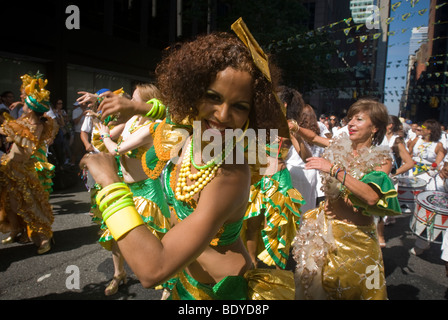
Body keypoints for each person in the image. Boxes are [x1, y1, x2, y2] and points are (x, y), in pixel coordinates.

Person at [80, 20, 296, 300]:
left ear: (252, 115)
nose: (221, 114)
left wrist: (110, 183)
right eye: (212, 97)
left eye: (239, 106)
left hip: (218, 292)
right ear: (192, 91)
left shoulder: (229, 172)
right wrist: (134, 105)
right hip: (186, 277)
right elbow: (171, 113)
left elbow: (152, 270)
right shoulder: (195, 131)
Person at [291, 98, 401, 300]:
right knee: (314, 289)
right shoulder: (339, 146)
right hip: (324, 232)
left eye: (359, 119)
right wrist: (295, 126)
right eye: (350, 118)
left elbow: (370, 196)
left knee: (352, 293)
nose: (350, 123)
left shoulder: (381, 159)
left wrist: (333, 169)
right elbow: (314, 137)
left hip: (356, 240)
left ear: (375, 127)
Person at [94, 84, 172, 296]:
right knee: (118, 232)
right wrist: (99, 112)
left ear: (146, 103)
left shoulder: (152, 127)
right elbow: (108, 134)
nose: (129, 103)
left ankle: (169, 283)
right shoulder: (132, 120)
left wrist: (104, 136)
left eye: (134, 100)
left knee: (157, 235)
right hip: (127, 186)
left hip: (148, 189)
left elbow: (116, 148)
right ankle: (119, 274)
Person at [242, 85, 307, 270]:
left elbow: (305, 156)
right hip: (257, 179)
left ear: (284, 105)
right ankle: (251, 267)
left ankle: (278, 274)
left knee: (278, 228)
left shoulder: (288, 127)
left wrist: (297, 135)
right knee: (252, 225)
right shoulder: (258, 124)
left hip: (278, 179)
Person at [0, 73, 56, 254]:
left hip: (23, 172)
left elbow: (27, 147)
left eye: (24, 103)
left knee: (30, 205)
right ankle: (17, 230)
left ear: (30, 109)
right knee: (11, 204)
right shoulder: (23, 121)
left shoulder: (37, 127)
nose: (21, 103)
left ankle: (45, 237)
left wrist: (12, 132)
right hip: (10, 168)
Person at [408, 119, 447, 255]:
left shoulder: (438, 145)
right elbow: (409, 153)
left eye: (423, 127)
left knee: (424, 211)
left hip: (428, 179)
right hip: (413, 176)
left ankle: (422, 243)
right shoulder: (417, 140)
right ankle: (422, 237)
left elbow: (439, 162)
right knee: (413, 208)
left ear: (430, 130)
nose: (421, 128)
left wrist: (431, 171)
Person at [376, 115, 414, 247]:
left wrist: (393, 173)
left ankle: (380, 236)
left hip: (388, 180)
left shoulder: (396, 141)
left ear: (389, 125)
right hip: (374, 177)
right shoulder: (376, 137)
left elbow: (409, 163)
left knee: (380, 208)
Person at [70, 101, 88, 166]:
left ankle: (86, 164)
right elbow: (75, 122)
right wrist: (82, 114)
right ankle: (72, 163)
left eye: (86, 103)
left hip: (87, 132)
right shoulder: (76, 111)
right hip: (78, 131)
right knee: (76, 148)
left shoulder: (89, 110)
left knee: (86, 149)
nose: (85, 104)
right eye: (83, 103)